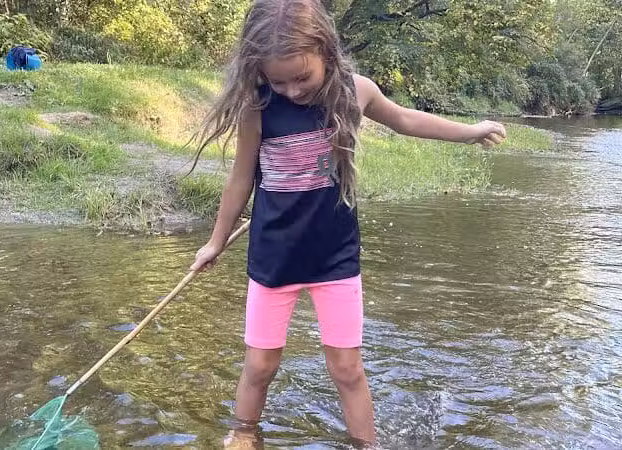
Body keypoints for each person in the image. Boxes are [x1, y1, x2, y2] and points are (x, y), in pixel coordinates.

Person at [187, 0, 506, 448]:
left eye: (302, 77)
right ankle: (243, 433)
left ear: (327, 53)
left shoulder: (355, 91)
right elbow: (241, 178)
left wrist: (469, 130)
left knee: (347, 368)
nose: (292, 90)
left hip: (335, 258)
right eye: (279, 81)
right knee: (259, 366)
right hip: (272, 258)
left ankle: (366, 445)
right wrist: (215, 242)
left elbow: (406, 120)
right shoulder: (257, 107)